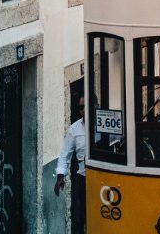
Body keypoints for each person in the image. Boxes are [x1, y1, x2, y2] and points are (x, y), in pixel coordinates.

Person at [55, 96, 87, 233]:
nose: (84, 110)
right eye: (81, 108)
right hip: (83, 176)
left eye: (86, 106)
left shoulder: (104, 123)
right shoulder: (74, 129)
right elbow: (65, 153)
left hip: (104, 175)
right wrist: (60, 176)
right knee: (83, 212)